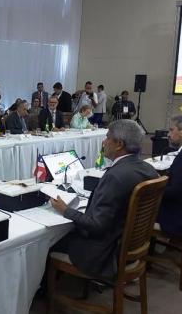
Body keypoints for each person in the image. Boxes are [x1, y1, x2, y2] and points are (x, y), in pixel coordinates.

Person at [49, 119, 158, 280]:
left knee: (48, 242)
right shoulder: (148, 169)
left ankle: (46, 294)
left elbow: (96, 226)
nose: (104, 141)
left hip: (104, 252)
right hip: (131, 245)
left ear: (119, 144)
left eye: (107, 137)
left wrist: (66, 211)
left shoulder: (115, 176)